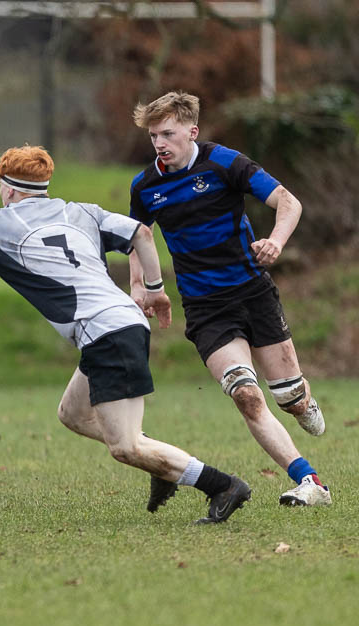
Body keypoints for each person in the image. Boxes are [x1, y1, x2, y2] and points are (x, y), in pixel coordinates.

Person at [0, 145, 251, 523]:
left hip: (107, 332)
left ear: (8, 188)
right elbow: (142, 235)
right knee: (73, 413)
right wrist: (154, 288)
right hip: (119, 323)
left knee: (126, 447)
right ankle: (162, 467)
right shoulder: (80, 211)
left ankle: (222, 485)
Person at [127, 91, 330, 507]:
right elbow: (136, 237)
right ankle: (310, 482)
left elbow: (289, 202)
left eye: (167, 133)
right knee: (245, 393)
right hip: (205, 307)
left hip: (253, 293)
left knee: (288, 396)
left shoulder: (224, 162)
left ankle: (301, 399)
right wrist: (144, 287)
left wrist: (274, 241)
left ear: (192, 131)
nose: (160, 143)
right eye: (153, 136)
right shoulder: (147, 186)